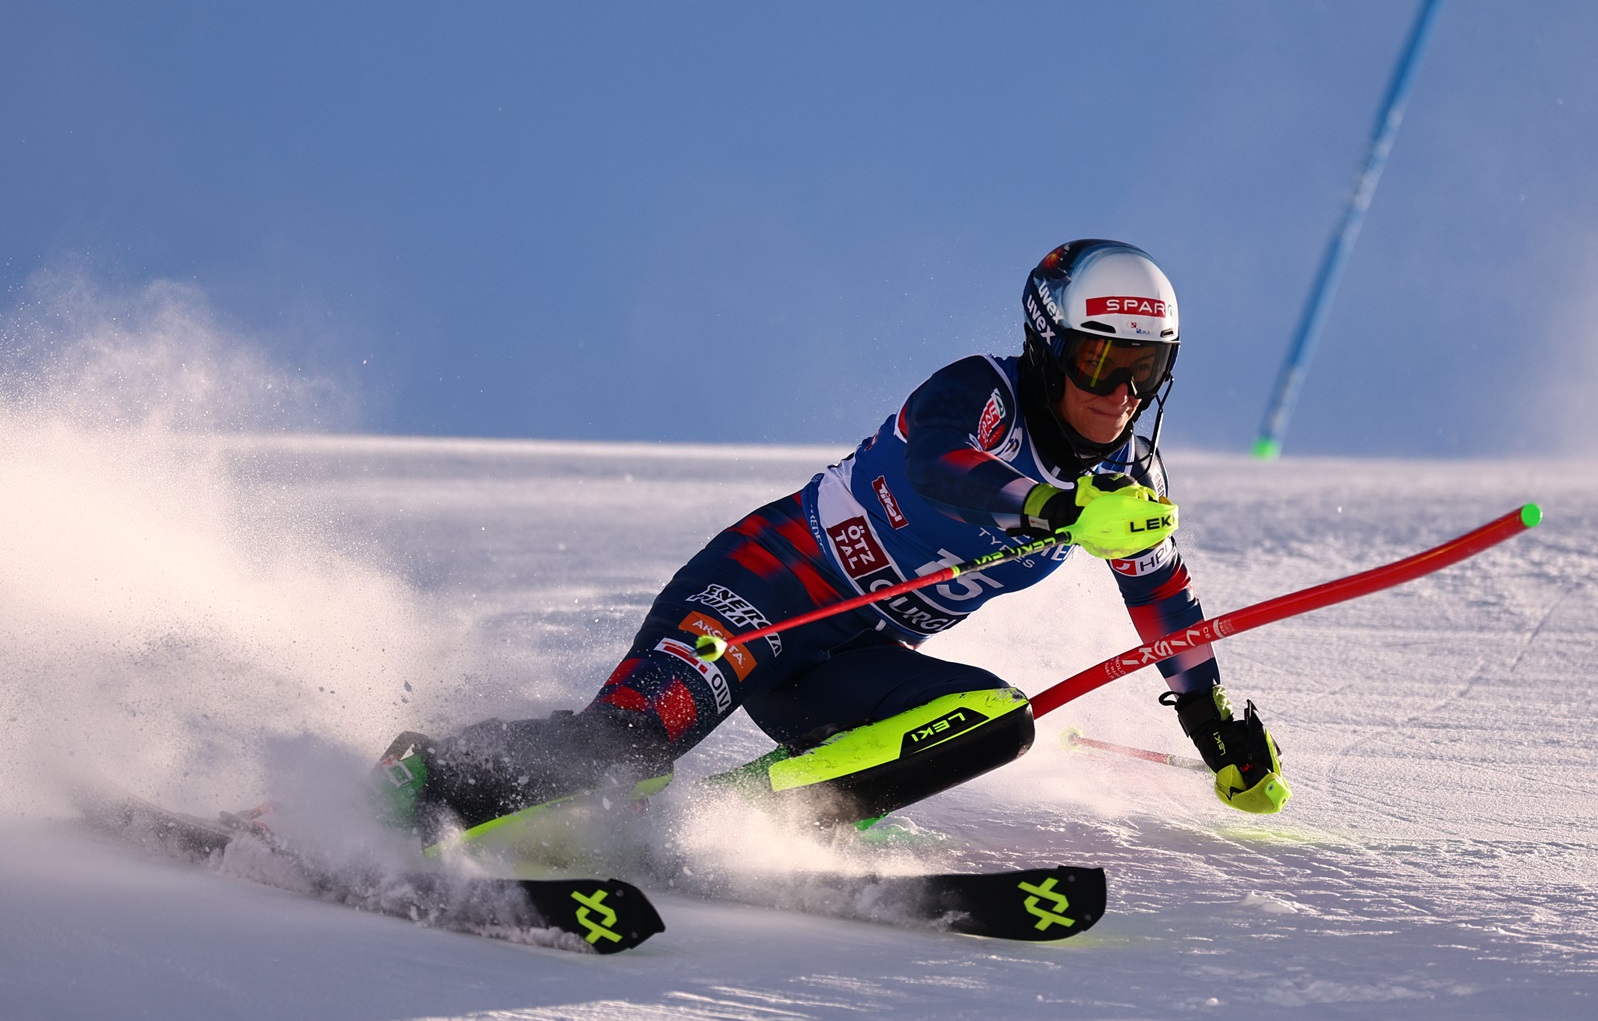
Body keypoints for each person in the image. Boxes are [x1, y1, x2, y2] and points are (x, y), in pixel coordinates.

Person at [376, 239, 1289, 845]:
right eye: (1098, 360)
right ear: (1049, 347)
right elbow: (943, 470)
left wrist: (1214, 725)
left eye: (1144, 369)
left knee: (997, 722)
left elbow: (1163, 601)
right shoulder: (980, 393)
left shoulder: (1132, 483)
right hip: (761, 593)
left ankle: (730, 830)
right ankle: (429, 776)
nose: (1119, 392)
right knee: (632, 743)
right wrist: (1054, 512)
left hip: (849, 659)